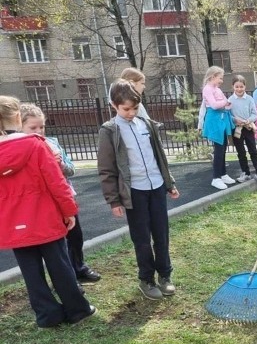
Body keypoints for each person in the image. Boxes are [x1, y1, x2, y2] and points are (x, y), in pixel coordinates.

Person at [0, 96, 96, 328]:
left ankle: (47, 315)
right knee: (60, 265)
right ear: (17, 117)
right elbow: (56, 183)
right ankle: (77, 310)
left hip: (13, 222)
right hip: (45, 218)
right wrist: (69, 211)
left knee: (30, 271)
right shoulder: (36, 144)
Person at [97, 80, 181, 300]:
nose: (131, 113)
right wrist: (114, 200)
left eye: (135, 108)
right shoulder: (109, 131)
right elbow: (106, 169)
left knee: (161, 234)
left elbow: (159, 156)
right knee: (142, 238)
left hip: (156, 187)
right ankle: (146, 279)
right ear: (114, 105)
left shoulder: (145, 124)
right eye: (126, 109)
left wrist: (169, 183)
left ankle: (165, 275)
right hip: (134, 192)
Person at [19, 103, 102, 285]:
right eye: (33, 127)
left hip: (65, 196)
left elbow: (71, 169)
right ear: (20, 126)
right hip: (43, 202)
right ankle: (67, 279)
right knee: (56, 244)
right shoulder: (20, 149)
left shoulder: (52, 143)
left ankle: (79, 268)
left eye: (42, 126)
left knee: (75, 235)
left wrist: (60, 165)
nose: (39, 131)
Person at [228, 75, 257, 187]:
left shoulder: (249, 99)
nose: (239, 89)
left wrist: (248, 120)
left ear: (245, 86)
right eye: (237, 87)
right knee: (241, 152)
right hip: (237, 129)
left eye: (241, 86)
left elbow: (255, 114)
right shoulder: (230, 100)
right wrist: (235, 120)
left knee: (253, 151)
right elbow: (228, 115)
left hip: (248, 128)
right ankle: (245, 172)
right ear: (233, 87)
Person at [200, 66, 236, 190]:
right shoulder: (207, 89)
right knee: (219, 150)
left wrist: (227, 104)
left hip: (222, 119)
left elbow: (225, 103)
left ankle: (223, 173)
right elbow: (214, 105)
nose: (221, 80)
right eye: (220, 78)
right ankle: (216, 178)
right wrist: (225, 103)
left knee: (223, 147)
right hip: (214, 120)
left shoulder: (217, 89)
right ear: (213, 76)